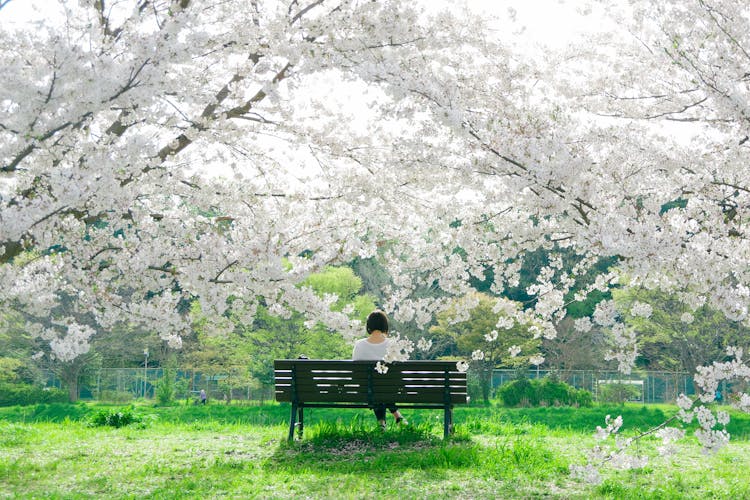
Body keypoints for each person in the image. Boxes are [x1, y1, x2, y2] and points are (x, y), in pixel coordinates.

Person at [352, 310, 407, 430]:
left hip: (365, 389)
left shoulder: (359, 344)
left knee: (375, 385)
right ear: (385, 326)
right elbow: (398, 372)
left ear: (369, 326)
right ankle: (397, 416)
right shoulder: (393, 344)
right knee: (383, 384)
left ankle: (382, 423)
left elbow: (356, 372)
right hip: (391, 389)